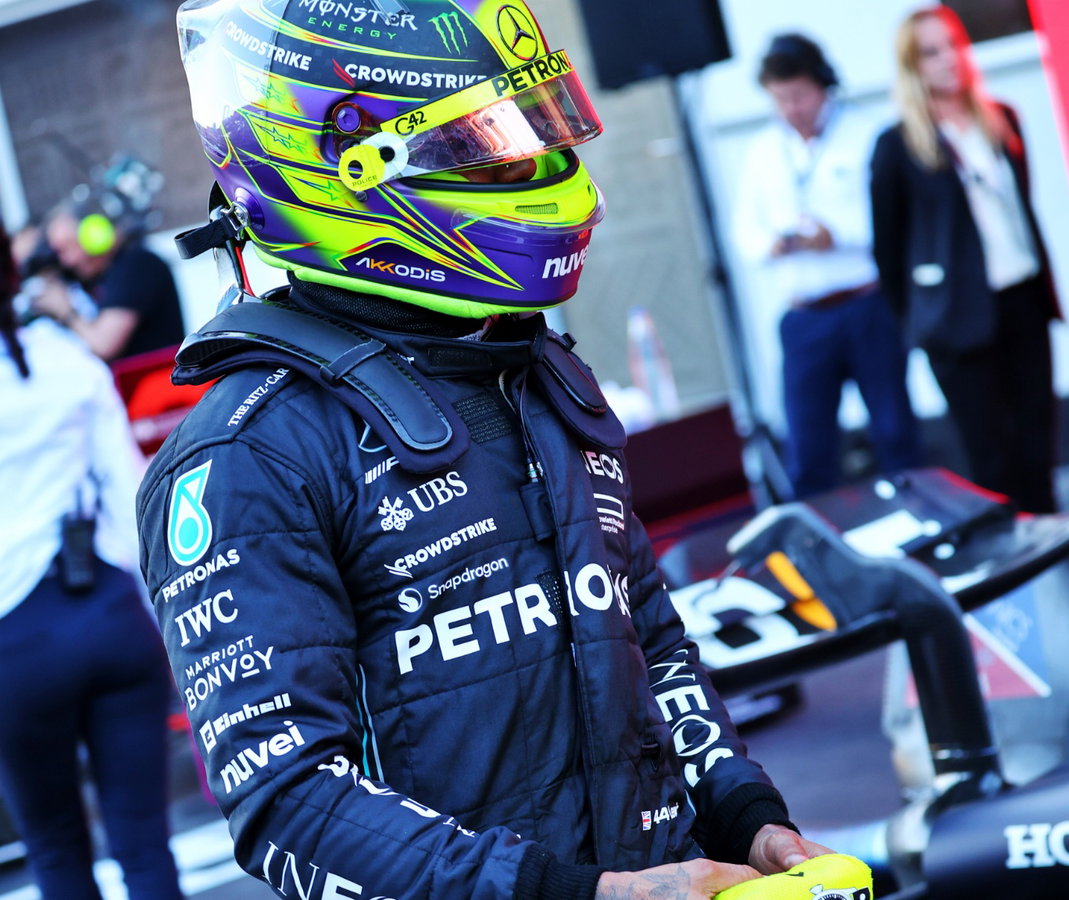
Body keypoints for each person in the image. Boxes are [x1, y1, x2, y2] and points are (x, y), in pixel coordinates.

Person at [139, 4, 828, 900]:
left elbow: (648, 638)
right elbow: (289, 802)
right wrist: (578, 895)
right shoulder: (246, 455)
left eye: (532, 132)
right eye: (483, 146)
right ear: (341, 170)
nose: (531, 166)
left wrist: (744, 814)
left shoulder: (533, 366)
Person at [0, 223, 184, 900]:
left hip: (13, 646)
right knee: (145, 847)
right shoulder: (66, 360)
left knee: (55, 853)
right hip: (110, 616)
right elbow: (134, 498)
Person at [870, 6, 1061, 514]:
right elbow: (888, 250)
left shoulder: (999, 120)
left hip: (1021, 297)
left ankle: (1055, 543)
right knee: (990, 457)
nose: (948, 59)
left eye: (953, 45)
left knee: (1037, 443)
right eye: (931, 52)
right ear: (913, 66)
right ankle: (1012, 557)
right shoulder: (898, 147)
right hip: (956, 318)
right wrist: (919, 320)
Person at [733, 34, 922, 499]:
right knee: (808, 446)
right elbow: (744, 230)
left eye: (799, 95)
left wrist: (837, 237)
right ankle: (815, 537)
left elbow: (893, 220)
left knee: (895, 431)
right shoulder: (764, 150)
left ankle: (920, 516)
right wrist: (772, 245)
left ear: (822, 86)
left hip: (865, 305)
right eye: (781, 99)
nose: (791, 109)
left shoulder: (866, 134)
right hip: (804, 316)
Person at [27, 199, 185, 361]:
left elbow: (104, 345)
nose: (67, 262)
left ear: (95, 236)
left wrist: (66, 312)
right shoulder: (101, 275)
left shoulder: (137, 265)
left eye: (66, 249)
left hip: (159, 375)